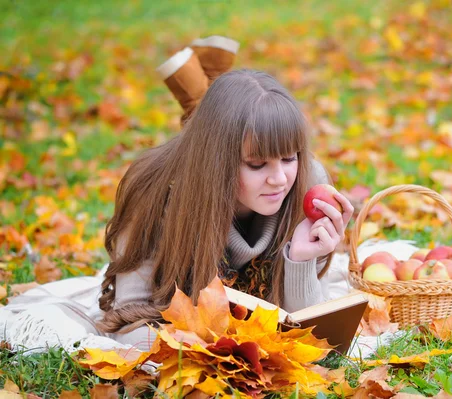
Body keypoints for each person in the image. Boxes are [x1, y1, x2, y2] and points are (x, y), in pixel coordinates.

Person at [0, 36, 354, 353]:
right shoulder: (156, 194)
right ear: (220, 162)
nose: (279, 179)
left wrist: (301, 258)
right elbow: (129, 316)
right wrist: (199, 353)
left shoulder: (307, 180)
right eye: (257, 164)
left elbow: (313, 336)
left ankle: (202, 87)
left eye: (288, 158)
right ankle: (199, 94)